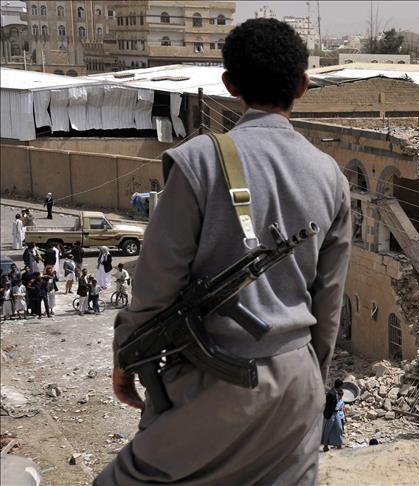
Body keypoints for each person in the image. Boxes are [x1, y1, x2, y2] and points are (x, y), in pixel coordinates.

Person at [97, 18, 351, 486]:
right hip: (296, 384)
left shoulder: (199, 160)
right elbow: (329, 304)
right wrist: (310, 382)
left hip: (214, 384)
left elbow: (153, 286)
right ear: (303, 86)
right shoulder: (331, 175)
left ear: (229, 84)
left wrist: (125, 355)